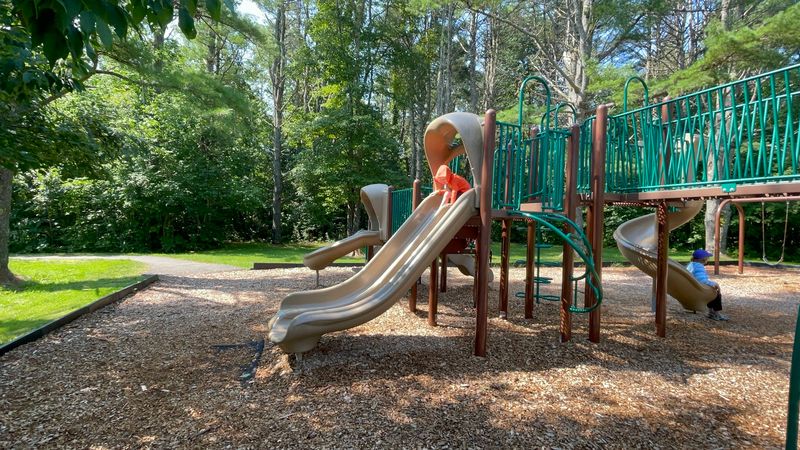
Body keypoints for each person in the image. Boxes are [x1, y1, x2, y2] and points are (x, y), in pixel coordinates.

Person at [686, 249, 729, 321]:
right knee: (715, 292)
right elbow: (702, 280)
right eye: (707, 257)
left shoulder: (691, 264)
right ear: (704, 259)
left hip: (692, 288)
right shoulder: (698, 267)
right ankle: (715, 313)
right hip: (697, 290)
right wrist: (714, 284)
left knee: (711, 290)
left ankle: (712, 313)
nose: (708, 259)